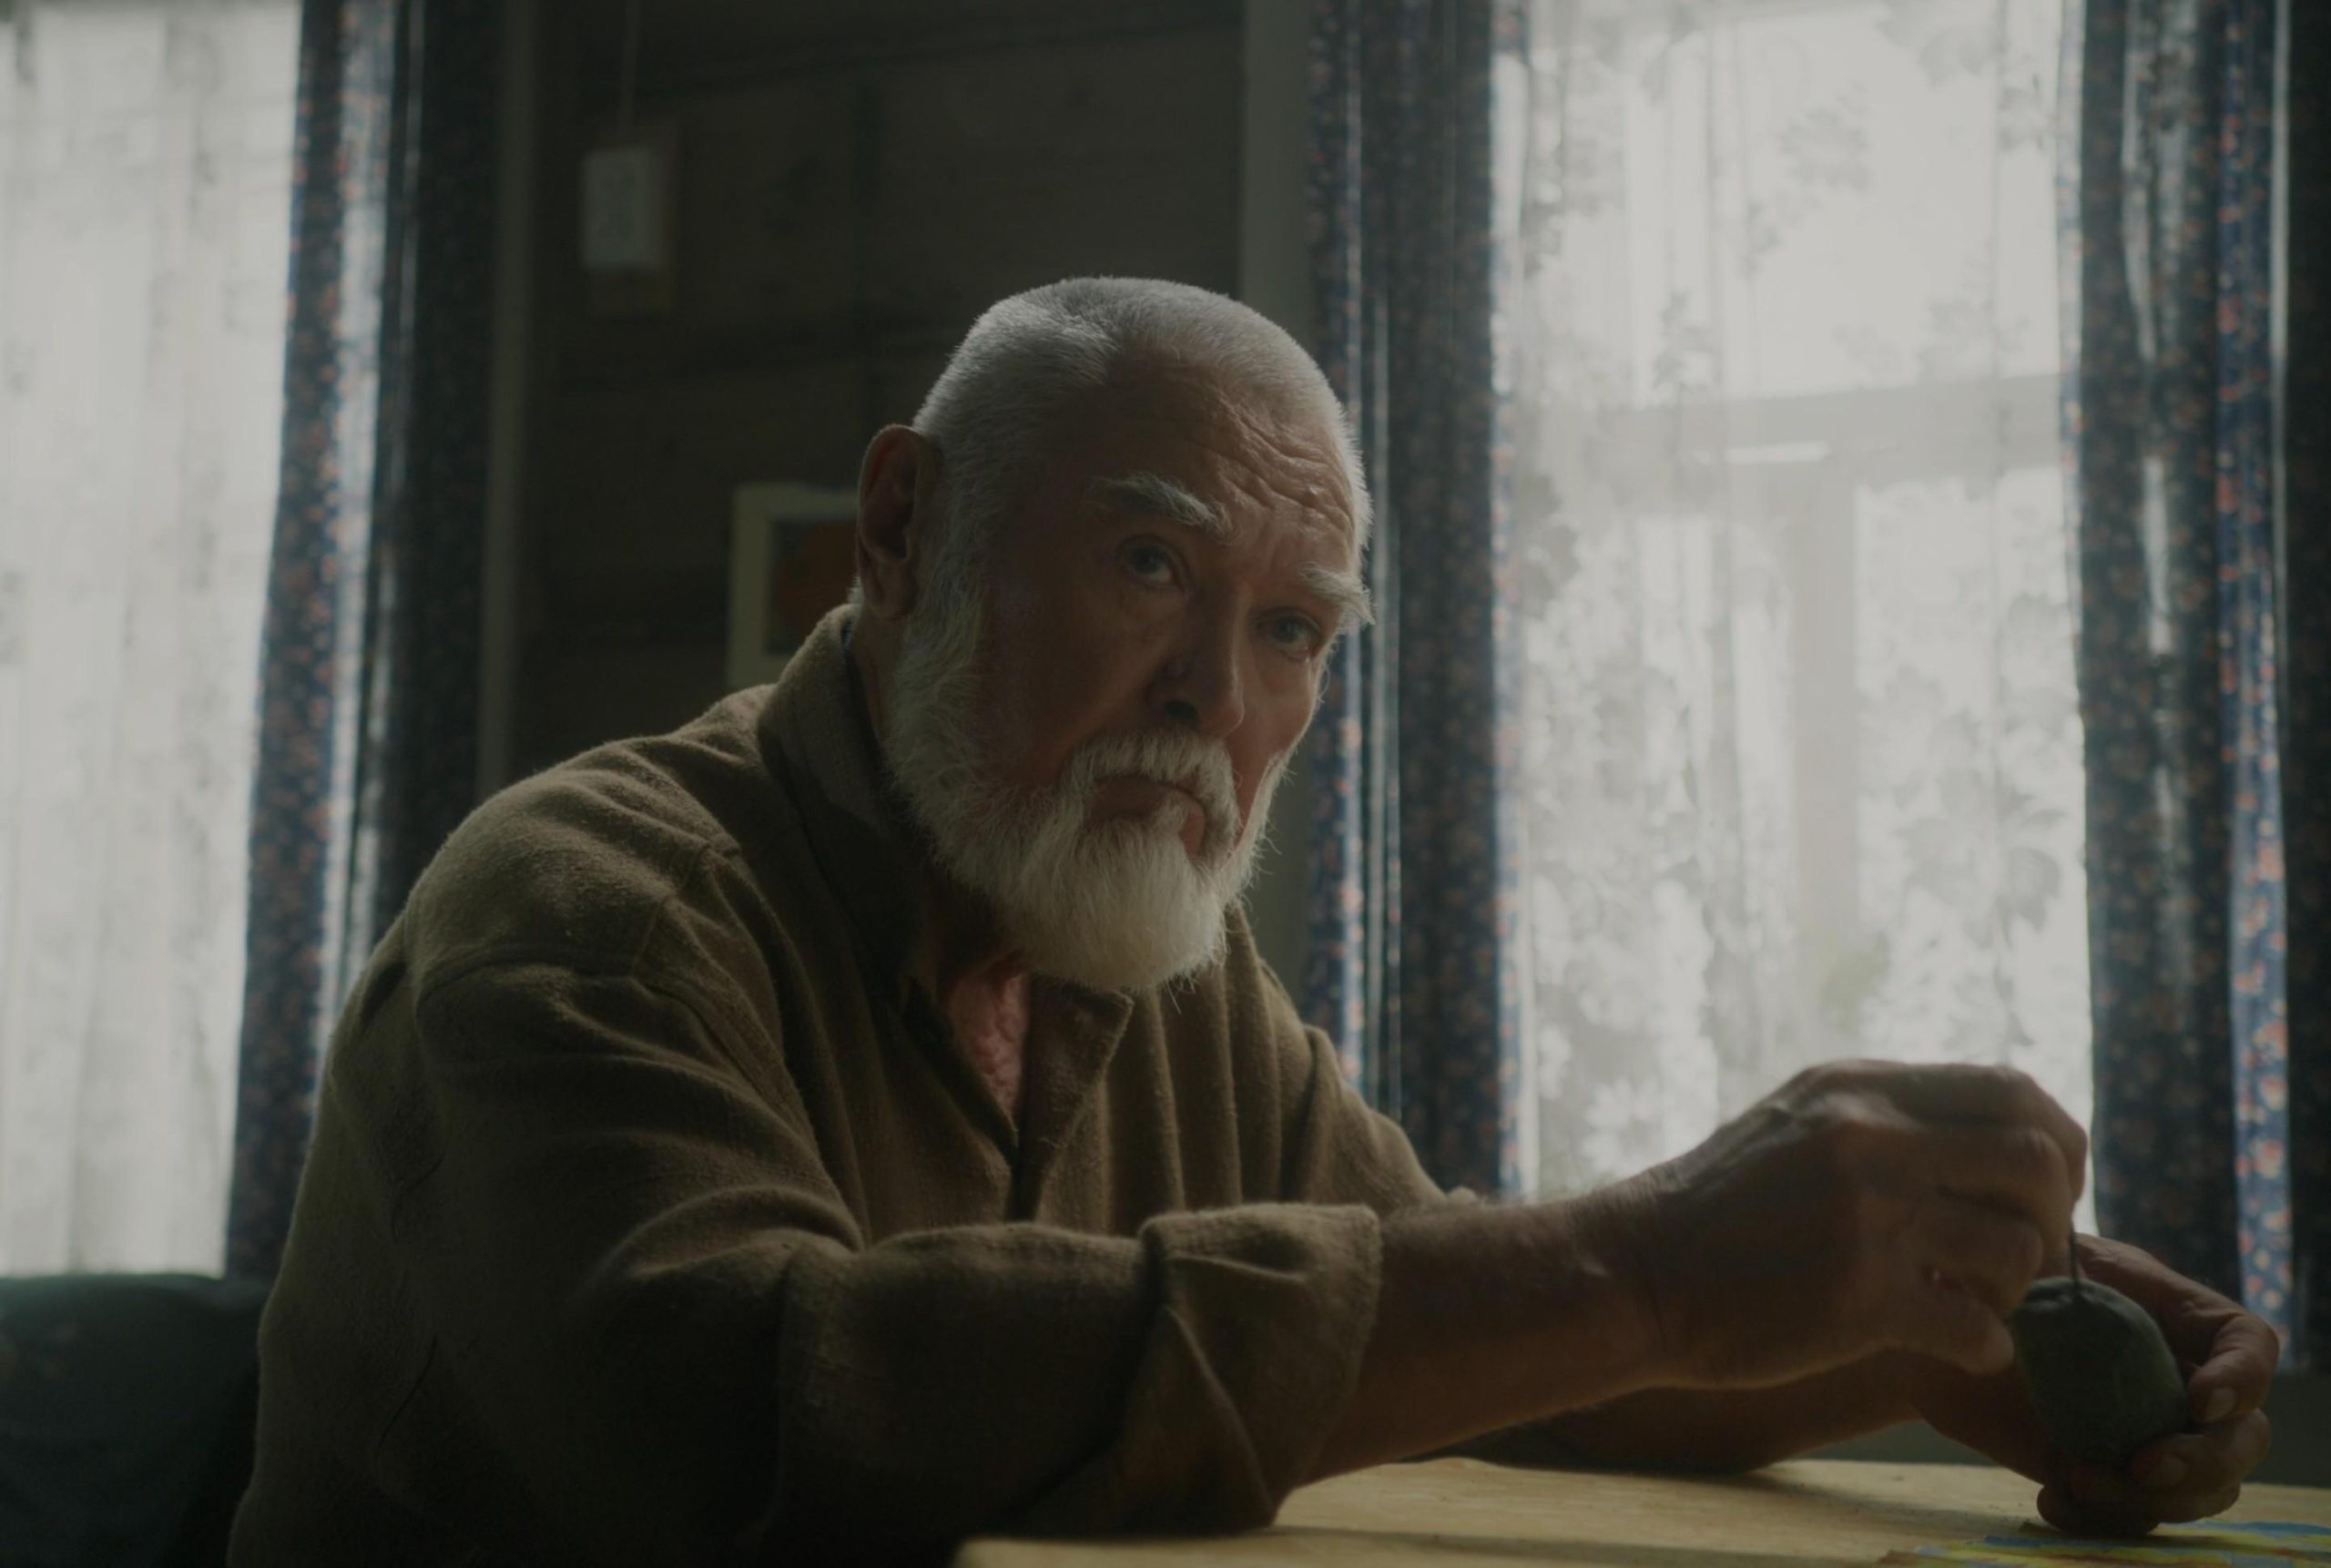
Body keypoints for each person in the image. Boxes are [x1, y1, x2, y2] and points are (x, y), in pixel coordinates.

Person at [229, 279, 2278, 1565]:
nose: (1217, 695)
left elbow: (1531, 1367)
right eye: (1151, 565)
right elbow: (769, 1418)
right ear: (903, 528)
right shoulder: (584, 907)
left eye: (1292, 627)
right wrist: (1652, 1257)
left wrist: (1918, 1326)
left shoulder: (1155, 970)